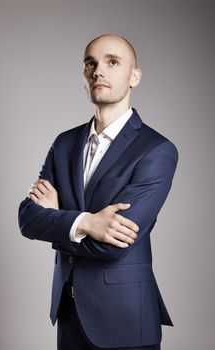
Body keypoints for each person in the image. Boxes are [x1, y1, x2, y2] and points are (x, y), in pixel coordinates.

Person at [18, 34, 178, 350]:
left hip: (126, 319)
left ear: (135, 76)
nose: (98, 71)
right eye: (90, 63)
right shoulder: (64, 144)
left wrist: (57, 219)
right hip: (69, 314)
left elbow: (115, 246)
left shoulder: (156, 150)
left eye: (112, 61)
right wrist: (88, 224)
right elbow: (27, 219)